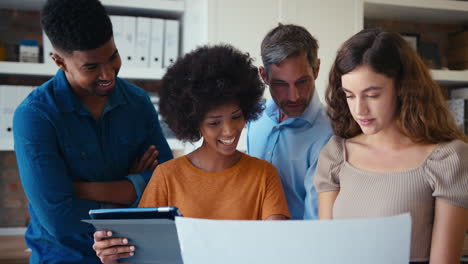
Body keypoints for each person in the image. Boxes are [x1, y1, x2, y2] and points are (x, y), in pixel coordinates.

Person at [92, 44, 291, 263]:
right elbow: (142, 255)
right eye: (215, 122)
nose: (229, 130)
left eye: (236, 117)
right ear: (194, 122)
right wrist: (114, 255)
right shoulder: (167, 176)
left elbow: (276, 250)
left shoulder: (264, 175)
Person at [13, 0, 173, 263]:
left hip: (133, 252)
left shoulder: (138, 102)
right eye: (91, 67)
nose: (108, 74)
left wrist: (84, 190)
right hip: (65, 256)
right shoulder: (35, 116)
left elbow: (167, 184)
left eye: (113, 57)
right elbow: (59, 219)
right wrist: (132, 189)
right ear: (60, 62)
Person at [315, 28, 468, 263]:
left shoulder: (447, 159)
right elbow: (326, 252)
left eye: (372, 95)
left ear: (402, 88)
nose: (359, 110)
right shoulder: (336, 155)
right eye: (350, 95)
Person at [247, 24, 333, 219]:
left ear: (317, 69)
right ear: (263, 76)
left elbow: (316, 222)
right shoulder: (254, 117)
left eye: (302, 82)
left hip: (299, 246)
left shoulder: (330, 134)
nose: (293, 96)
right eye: (281, 84)